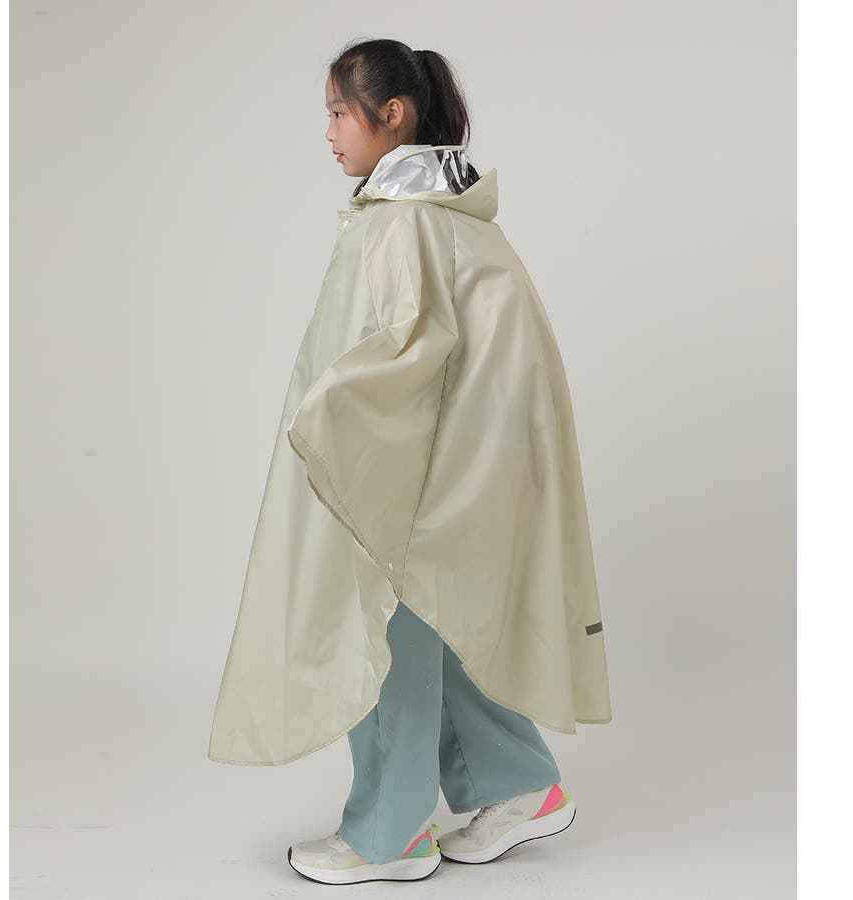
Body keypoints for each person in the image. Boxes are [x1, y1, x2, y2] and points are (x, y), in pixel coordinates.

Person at [207, 38, 613, 885]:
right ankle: (519, 786)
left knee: (380, 630)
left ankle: (389, 836)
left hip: (432, 461)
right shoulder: (455, 215)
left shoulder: (401, 219)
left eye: (338, 113)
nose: (328, 133)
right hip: (477, 460)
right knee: (436, 617)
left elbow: (407, 350)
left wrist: (322, 415)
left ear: (391, 114)